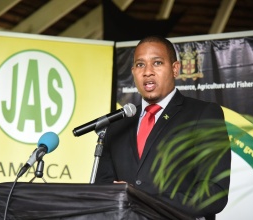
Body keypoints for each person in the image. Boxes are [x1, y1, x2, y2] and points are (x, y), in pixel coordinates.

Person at [95, 35, 231, 220]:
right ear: (133, 71)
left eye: (157, 63)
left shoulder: (203, 114)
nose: (148, 72)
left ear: (175, 69)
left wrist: (141, 198)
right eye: (140, 65)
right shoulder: (117, 122)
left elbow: (214, 193)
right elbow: (102, 189)